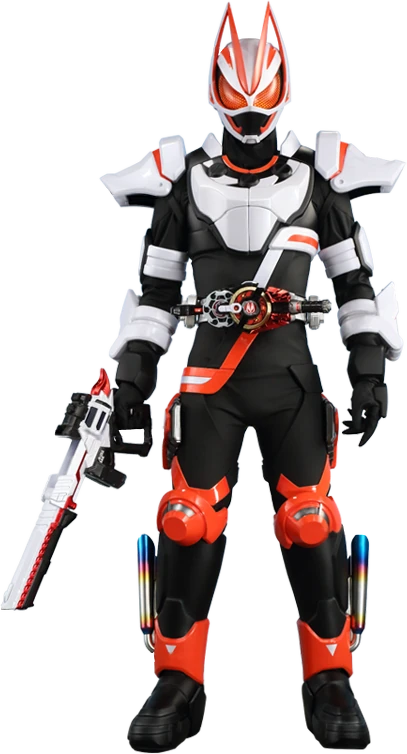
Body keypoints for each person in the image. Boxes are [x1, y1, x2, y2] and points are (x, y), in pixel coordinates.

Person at [100, 2, 404, 750]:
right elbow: (154, 296)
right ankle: (177, 681)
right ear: (215, 98)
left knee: (311, 520)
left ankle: (330, 678)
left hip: (288, 376)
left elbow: (354, 286)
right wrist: (132, 380)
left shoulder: (317, 185)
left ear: (280, 97)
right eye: (235, 108)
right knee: (185, 519)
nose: (247, 122)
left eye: (258, 107)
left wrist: (369, 369)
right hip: (210, 380)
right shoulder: (184, 188)